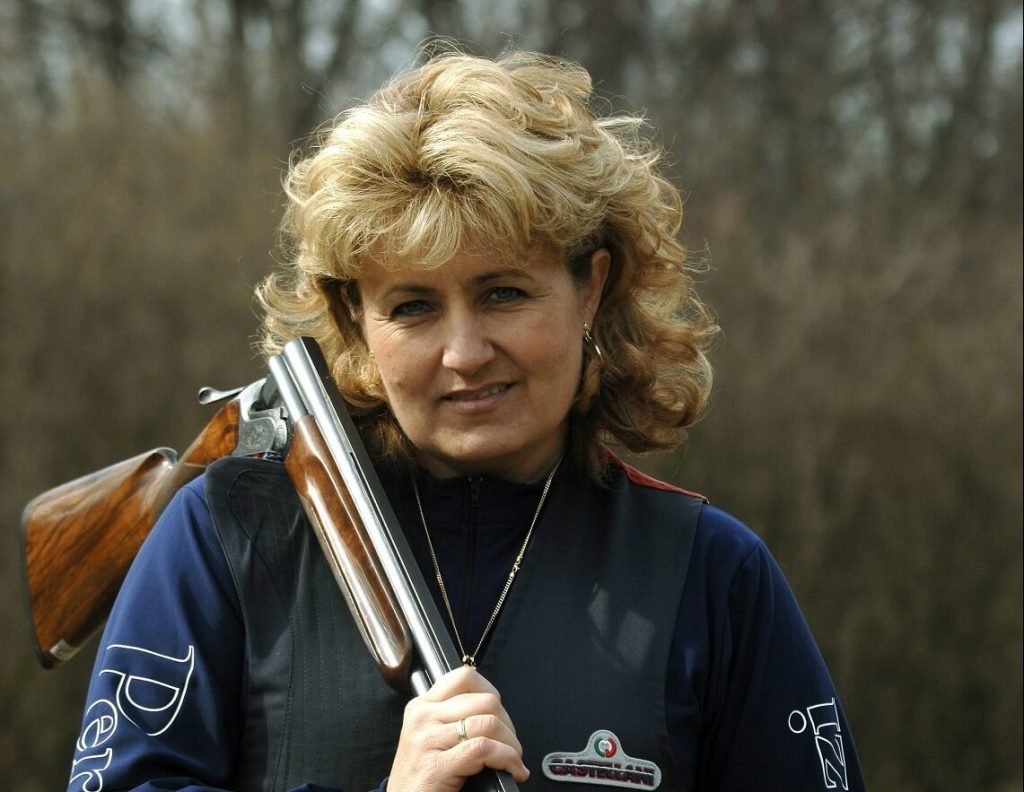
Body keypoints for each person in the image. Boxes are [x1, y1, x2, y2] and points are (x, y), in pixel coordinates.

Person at [66, 50, 866, 792]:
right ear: (354, 320)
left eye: (503, 293)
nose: (464, 353)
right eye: (413, 307)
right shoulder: (221, 537)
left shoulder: (712, 573)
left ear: (590, 288)